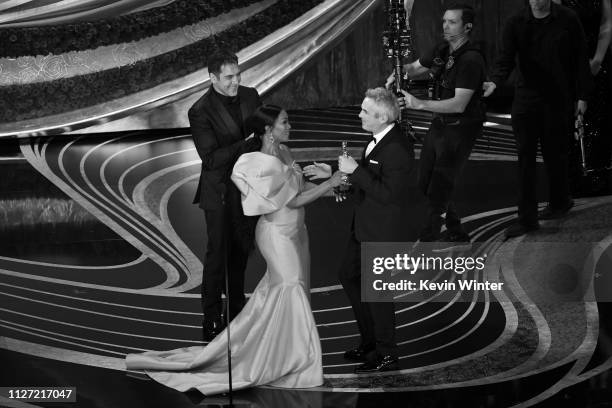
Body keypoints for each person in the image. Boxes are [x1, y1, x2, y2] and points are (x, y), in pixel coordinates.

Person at [126, 105, 344, 395]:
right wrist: (330, 182)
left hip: (297, 233)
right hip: (276, 235)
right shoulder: (257, 162)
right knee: (290, 286)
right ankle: (298, 361)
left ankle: (278, 351)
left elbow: (302, 192)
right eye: (284, 122)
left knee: (292, 293)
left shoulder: (286, 151)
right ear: (267, 130)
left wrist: (337, 185)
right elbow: (290, 201)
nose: (289, 126)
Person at [483, 0, 592, 237]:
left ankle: (560, 201)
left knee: (556, 155)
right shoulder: (515, 22)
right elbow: (505, 58)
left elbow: (580, 58)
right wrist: (495, 81)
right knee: (525, 160)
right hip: (526, 100)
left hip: (559, 99)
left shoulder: (568, 19)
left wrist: (583, 95)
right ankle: (528, 219)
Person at [388, 3, 486, 248]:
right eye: (444, 21)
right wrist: (399, 72)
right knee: (426, 182)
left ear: (467, 27)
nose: (445, 26)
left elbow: (459, 104)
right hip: (440, 125)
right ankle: (456, 231)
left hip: (460, 128)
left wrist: (419, 104)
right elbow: (415, 68)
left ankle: (423, 245)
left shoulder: (471, 59)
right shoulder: (443, 48)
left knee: (438, 190)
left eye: (452, 22)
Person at [332, 87, 413, 373]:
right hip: (364, 228)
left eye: (365, 111)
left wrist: (356, 171)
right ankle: (370, 342)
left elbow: (389, 193)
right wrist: (338, 179)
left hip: (382, 231)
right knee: (348, 274)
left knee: (378, 293)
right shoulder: (378, 139)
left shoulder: (397, 148)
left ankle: (387, 354)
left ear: (381, 116)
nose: (359, 114)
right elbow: (370, 181)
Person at [188, 50, 262, 341]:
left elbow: (263, 134)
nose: (236, 82)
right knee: (217, 254)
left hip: (246, 189)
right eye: (229, 77)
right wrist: (245, 146)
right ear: (213, 78)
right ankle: (211, 316)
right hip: (218, 191)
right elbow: (211, 159)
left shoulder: (251, 95)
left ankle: (236, 310)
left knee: (241, 250)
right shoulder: (200, 110)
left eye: (238, 75)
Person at [554, 0, 612, 192]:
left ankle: (601, 175)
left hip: (598, 60)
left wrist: (597, 60)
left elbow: (606, 22)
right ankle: (573, 178)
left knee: (601, 118)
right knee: (570, 119)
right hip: (566, 62)